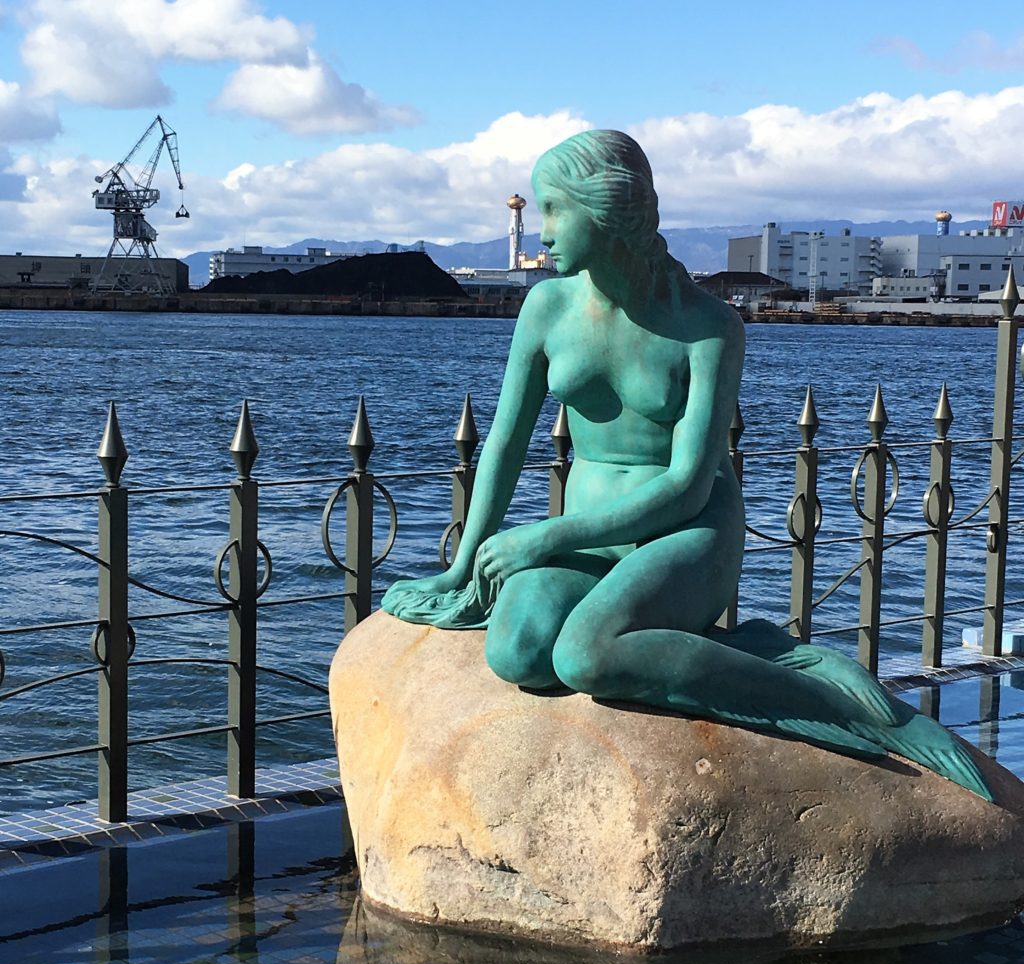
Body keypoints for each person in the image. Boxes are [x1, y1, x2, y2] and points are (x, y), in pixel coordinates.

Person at [384, 129, 990, 801]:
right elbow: (503, 443)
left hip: (688, 534)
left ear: (607, 211)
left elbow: (687, 483)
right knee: (517, 651)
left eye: (556, 209)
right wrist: (464, 564)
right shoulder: (546, 308)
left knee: (584, 655)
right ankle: (739, 648)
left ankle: (829, 700)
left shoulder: (708, 326)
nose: (545, 230)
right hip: (593, 537)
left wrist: (545, 535)